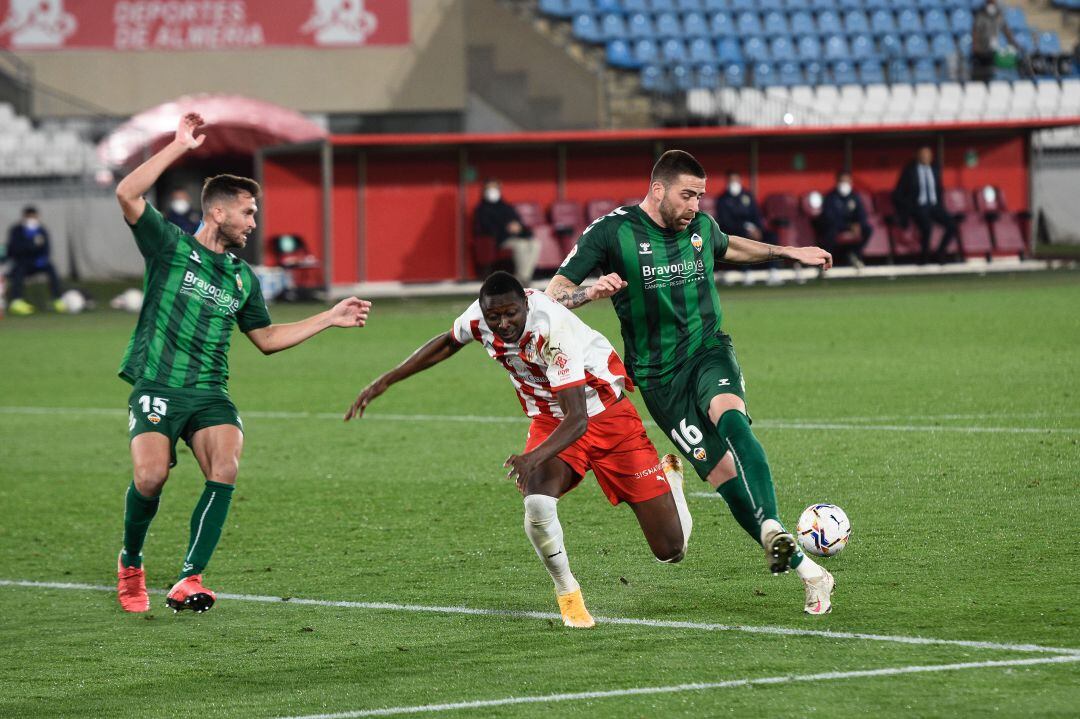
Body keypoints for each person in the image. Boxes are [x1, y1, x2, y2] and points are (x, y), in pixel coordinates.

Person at [546, 150, 838, 615]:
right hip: (659, 381)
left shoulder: (699, 228)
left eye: (701, 195)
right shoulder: (611, 232)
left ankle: (772, 534)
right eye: (688, 195)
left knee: (731, 416)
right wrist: (590, 291)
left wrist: (785, 251)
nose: (695, 205)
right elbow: (552, 297)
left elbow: (728, 245)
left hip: (707, 350)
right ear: (657, 190)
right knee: (722, 474)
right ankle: (812, 571)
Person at [114, 112, 372, 614]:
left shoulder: (242, 278)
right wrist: (178, 147)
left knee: (226, 467)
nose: (254, 223)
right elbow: (127, 193)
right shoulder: (170, 249)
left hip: (210, 392)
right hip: (159, 386)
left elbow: (267, 338)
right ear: (218, 214)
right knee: (149, 480)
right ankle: (131, 562)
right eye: (248, 213)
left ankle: (190, 578)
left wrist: (328, 318)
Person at [345, 271, 694, 628]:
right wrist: (386, 379)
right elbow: (448, 341)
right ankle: (568, 594)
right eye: (494, 316)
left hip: (606, 417)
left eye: (510, 314)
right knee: (538, 502)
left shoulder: (553, 329)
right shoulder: (481, 317)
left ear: (526, 304)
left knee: (671, 551)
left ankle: (672, 485)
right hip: (549, 418)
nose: (503, 323)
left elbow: (578, 420)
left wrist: (533, 456)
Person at [892, 146, 960, 264]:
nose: (926, 157)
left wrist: (941, 205)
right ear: (918, 156)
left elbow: (939, 189)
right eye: (923, 154)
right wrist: (907, 207)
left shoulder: (935, 169)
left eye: (928, 155)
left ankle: (940, 252)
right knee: (927, 227)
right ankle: (924, 257)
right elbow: (898, 192)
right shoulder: (910, 170)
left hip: (935, 206)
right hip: (918, 206)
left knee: (952, 225)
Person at [714, 171, 783, 286]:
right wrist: (746, 229)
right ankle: (746, 272)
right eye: (731, 181)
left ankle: (774, 271)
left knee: (772, 236)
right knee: (742, 238)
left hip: (755, 230)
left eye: (736, 180)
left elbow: (757, 215)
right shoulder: (722, 200)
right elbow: (726, 222)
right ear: (727, 182)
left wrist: (758, 229)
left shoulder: (747, 196)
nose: (734, 183)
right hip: (735, 232)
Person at [474, 179, 540, 286]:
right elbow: (487, 227)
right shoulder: (482, 209)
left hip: (517, 237)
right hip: (501, 240)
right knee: (521, 246)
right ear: (484, 190)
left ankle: (523, 277)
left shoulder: (506, 206)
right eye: (489, 188)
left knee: (535, 244)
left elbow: (518, 222)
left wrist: (518, 228)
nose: (492, 191)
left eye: (494, 188)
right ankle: (522, 279)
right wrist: (507, 229)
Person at [5, 206, 63, 315]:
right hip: (22, 262)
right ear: (24, 217)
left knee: (51, 268)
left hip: (38, 263)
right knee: (18, 271)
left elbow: (46, 249)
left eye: (34, 217)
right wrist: (31, 243)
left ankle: (57, 299)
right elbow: (13, 250)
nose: (32, 219)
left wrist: (43, 259)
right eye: (29, 217)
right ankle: (16, 301)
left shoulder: (41, 230)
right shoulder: (16, 231)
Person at [819, 171, 872, 269]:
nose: (844, 184)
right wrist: (848, 226)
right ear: (837, 182)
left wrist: (858, 224)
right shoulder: (830, 197)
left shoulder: (855, 197)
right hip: (837, 227)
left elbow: (861, 215)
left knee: (867, 229)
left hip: (852, 227)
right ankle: (827, 260)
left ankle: (854, 255)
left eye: (846, 181)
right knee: (830, 231)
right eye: (842, 181)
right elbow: (829, 218)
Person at [972, 0, 1019, 82]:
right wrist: (975, 45)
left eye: (993, 2)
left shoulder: (999, 15)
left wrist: (1014, 43)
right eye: (989, 3)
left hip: (994, 48)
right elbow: (975, 31)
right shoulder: (981, 15)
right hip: (982, 49)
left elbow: (1006, 30)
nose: (991, 5)